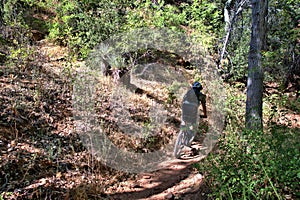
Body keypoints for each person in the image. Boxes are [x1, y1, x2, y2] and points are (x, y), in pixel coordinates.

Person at [176, 81, 207, 157]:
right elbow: (204, 106)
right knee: (193, 125)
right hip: (193, 111)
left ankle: (183, 131)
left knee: (184, 121)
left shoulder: (187, 93)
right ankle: (188, 139)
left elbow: (183, 102)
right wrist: (205, 114)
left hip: (185, 109)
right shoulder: (201, 95)